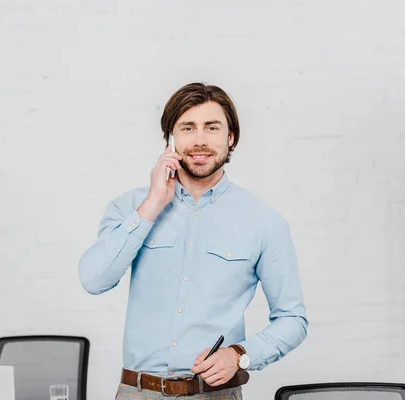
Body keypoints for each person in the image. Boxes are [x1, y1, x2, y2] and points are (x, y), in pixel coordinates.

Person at [78, 83, 308, 399]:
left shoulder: (264, 221)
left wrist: (240, 354)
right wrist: (153, 204)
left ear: (231, 137)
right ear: (172, 139)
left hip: (216, 395)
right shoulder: (130, 207)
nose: (200, 140)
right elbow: (94, 278)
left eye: (212, 128)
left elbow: (293, 319)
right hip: (138, 393)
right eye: (188, 128)